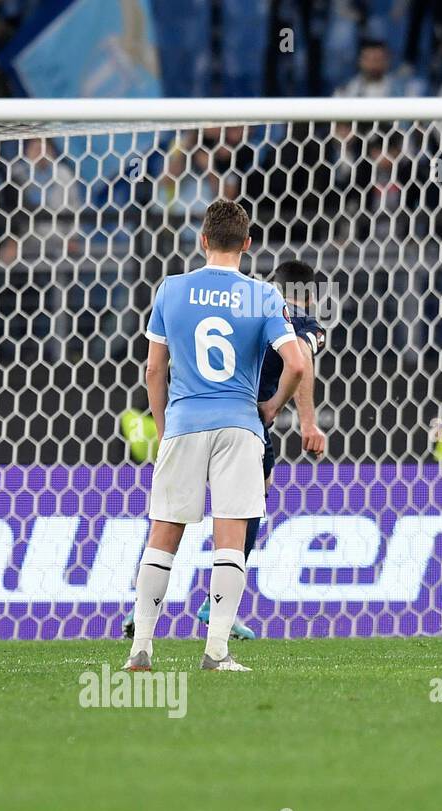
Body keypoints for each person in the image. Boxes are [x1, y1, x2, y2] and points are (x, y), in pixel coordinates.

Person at [124, 200, 306, 673]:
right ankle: (216, 652)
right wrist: (272, 406)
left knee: (163, 535)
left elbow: (154, 369)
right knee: (230, 538)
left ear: (203, 240)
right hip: (239, 426)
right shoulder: (263, 296)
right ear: (247, 244)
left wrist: (165, 431)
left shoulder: (171, 289)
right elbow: (299, 363)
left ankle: (140, 650)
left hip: (184, 423)